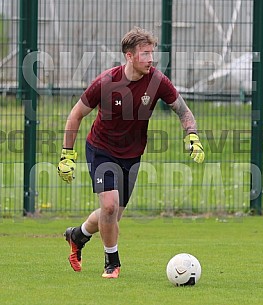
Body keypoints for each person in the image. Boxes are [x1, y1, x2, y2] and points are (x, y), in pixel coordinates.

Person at [58, 27, 205, 279]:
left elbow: (183, 110)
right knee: (109, 205)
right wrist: (66, 155)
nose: (151, 59)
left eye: (152, 53)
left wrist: (192, 135)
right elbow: (76, 114)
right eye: (145, 54)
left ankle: (78, 235)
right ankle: (111, 263)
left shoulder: (157, 81)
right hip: (101, 149)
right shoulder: (107, 81)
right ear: (129, 56)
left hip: (132, 155)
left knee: (113, 214)